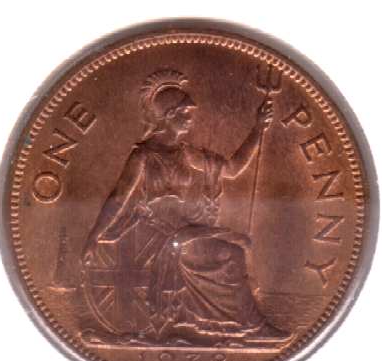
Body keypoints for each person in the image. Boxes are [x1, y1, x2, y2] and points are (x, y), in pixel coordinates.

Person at [82, 70, 286, 344]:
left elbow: (232, 169)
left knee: (234, 247)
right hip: (158, 234)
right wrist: (95, 234)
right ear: (169, 115)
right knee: (232, 253)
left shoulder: (185, 153)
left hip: (184, 229)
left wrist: (258, 129)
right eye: (185, 113)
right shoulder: (143, 155)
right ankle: (252, 326)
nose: (191, 118)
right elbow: (118, 197)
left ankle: (232, 323)